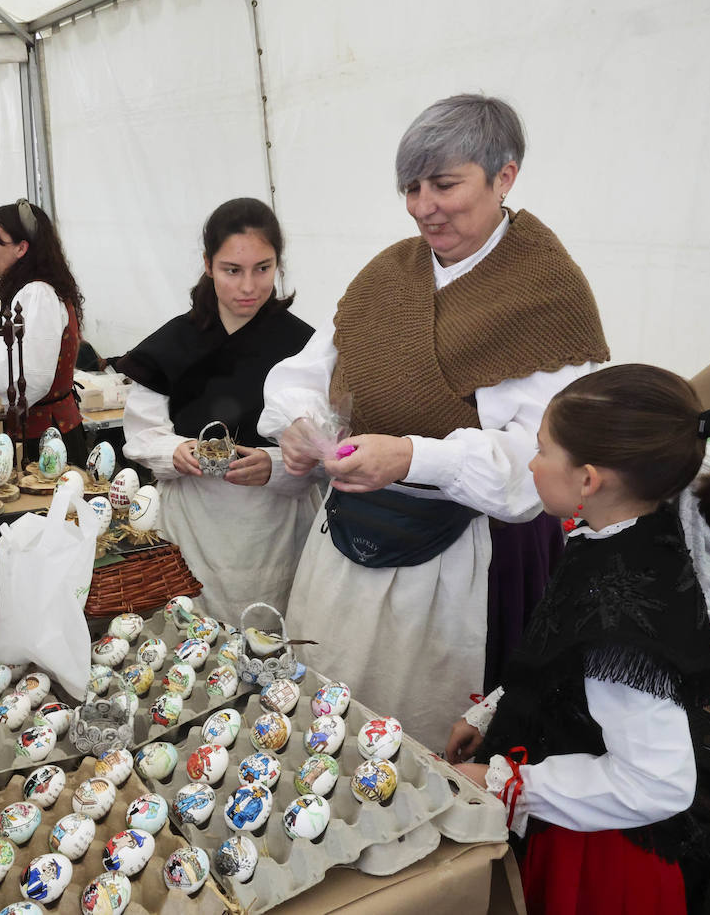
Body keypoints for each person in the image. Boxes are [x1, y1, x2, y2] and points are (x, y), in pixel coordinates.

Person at [260, 94, 610, 748]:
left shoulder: (547, 292)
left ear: (504, 176)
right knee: (327, 713)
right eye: (412, 187)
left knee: (412, 736)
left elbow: (542, 464)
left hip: (465, 558)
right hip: (349, 543)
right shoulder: (390, 275)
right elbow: (308, 372)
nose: (425, 206)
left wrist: (416, 458)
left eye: (445, 184)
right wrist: (302, 422)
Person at [446, 364, 710, 914]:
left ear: (589, 479)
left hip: (593, 854)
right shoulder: (619, 532)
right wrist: (495, 712)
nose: (532, 463)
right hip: (565, 811)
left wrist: (507, 781)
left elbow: (658, 783)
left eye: (542, 451)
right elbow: (560, 655)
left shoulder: (623, 624)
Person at [120, 198, 319, 621]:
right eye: (233, 270)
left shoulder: (305, 348)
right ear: (208, 265)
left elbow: (327, 450)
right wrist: (173, 451)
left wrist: (277, 464)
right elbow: (140, 434)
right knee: (193, 636)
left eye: (262, 269)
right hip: (193, 526)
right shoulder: (171, 345)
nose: (248, 287)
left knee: (270, 637)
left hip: (276, 531)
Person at [0, 198, 88, 464]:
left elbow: (31, 376)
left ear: (21, 248)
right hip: (42, 434)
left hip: (42, 441)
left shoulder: (37, 293)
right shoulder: (33, 290)